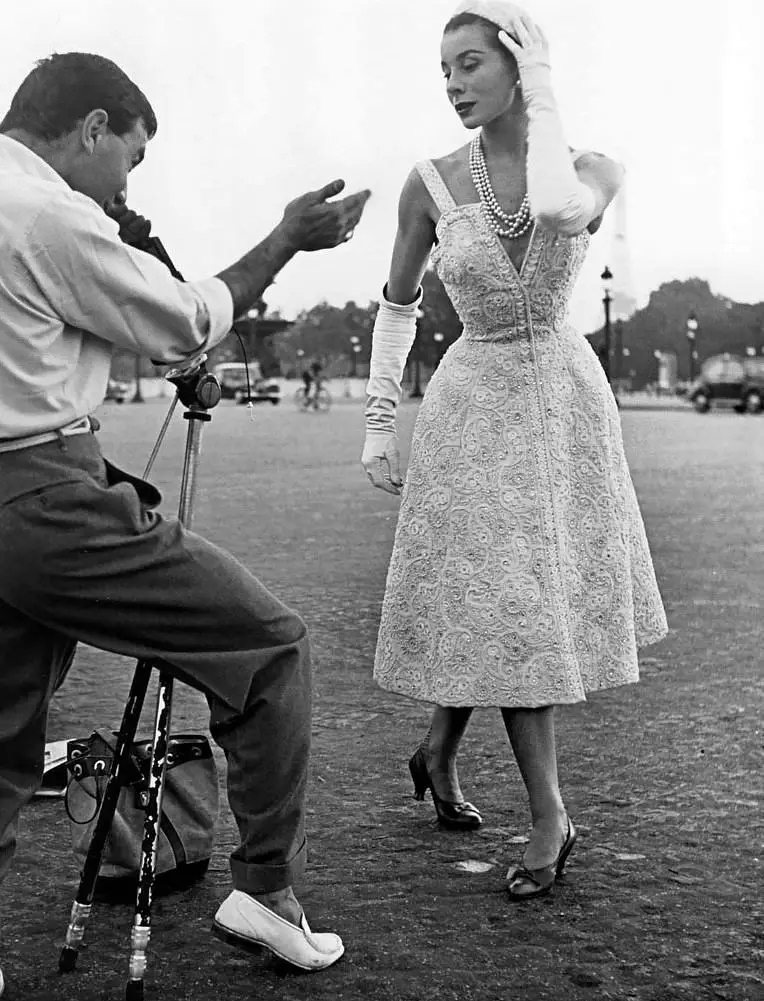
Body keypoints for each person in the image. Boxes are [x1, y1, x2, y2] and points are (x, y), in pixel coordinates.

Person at [0, 51, 370, 990]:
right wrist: (286, 238)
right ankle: (264, 889)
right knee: (271, 647)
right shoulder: (46, 211)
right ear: (89, 129)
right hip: (44, 502)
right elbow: (184, 318)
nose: (128, 180)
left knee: (4, 738)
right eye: (129, 154)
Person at [361, 0, 668, 901]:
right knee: (501, 594)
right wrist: (381, 418)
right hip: (472, 402)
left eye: (471, 65)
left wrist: (543, 93)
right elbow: (396, 303)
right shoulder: (427, 181)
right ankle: (550, 815)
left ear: (521, 66)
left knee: (516, 596)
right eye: (444, 70)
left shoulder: (590, 167)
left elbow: (560, 211)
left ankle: (437, 748)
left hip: (566, 402)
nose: (454, 84)